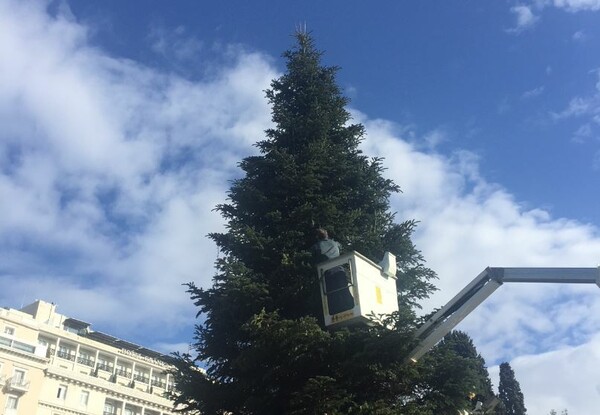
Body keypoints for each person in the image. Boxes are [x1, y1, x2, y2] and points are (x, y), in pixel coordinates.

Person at [312, 228, 355, 315]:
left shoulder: (317, 246)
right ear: (327, 235)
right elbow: (341, 246)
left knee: (332, 294)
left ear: (317, 237)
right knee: (344, 290)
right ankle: (351, 307)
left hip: (328, 273)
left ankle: (336, 312)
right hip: (340, 271)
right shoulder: (335, 243)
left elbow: (314, 257)